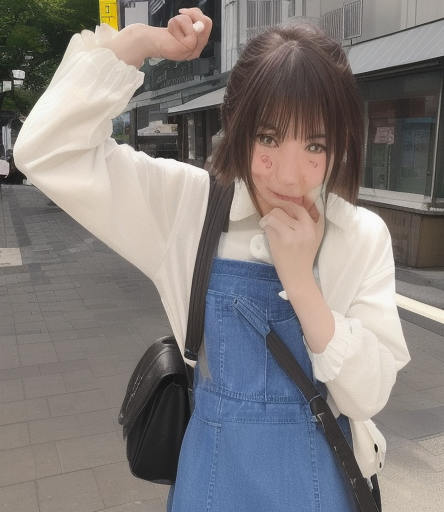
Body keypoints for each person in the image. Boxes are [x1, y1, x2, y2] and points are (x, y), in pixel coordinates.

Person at [14, 8, 410, 511]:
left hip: (319, 483)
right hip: (213, 481)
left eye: (315, 144)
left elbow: (368, 396)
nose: (289, 175)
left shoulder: (361, 235)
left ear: (342, 144)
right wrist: (138, 43)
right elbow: (46, 151)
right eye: (268, 138)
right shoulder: (188, 207)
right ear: (236, 126)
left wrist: (303, 286)